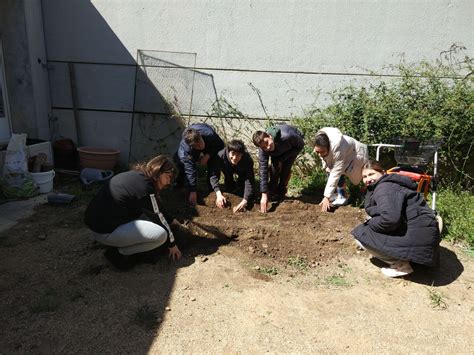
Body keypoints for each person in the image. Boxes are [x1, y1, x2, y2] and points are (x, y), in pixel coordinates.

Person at [84, 155, 182, 270]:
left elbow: (155, 205)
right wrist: (172, 244)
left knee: (145, 218)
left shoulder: (138, 176)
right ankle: (118, 253)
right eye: (168, 177)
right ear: (158, 172)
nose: (169, 182)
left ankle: (115, 242)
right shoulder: (145, 189)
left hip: (96, 225)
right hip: (104, 233)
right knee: (161, 235)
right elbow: (158, 215)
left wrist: (171, 220)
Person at [351, 160, 441, 278]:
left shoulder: (384, 187)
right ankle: (412, 258)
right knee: (369, 229)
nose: (368, 179)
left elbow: (390, 220)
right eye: (364, 176)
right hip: (424, 235)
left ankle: (401, 265)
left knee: (361, 234)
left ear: (382, 173)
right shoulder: (390, 183)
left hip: (420, 236)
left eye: (371, 174)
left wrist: (370, 224)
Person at [312, 127, 368, 212]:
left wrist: (326, 196)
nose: (319, 154)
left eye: (322, 152)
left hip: (356, 154)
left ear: (328, 147)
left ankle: (361, 195)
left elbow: (336, 171)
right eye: (317, 152)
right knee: (329, 170)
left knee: (360, 176)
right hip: (345, 155)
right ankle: (338, 194)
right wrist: (326, 166)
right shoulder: (321, 142)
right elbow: (325, 157)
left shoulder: (339, 147)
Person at [252, 124, 304, 213]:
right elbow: (263, 169)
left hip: (291, 148)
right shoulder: (264, 149)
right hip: (276, 150)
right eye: (264, 147)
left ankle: (281, 192)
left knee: (285, 169)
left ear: (269, 136)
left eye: (267, 142)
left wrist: (283, 158)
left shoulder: (288, 136)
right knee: (274, 169)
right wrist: (264, 194)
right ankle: (272, 192)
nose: (267, 147)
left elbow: (300, 145)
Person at [174, 123, 225, 206]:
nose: (200, 146)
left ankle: (212, 188)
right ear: (192, 147)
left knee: (216, 159)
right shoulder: (186, 150)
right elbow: (190, 170)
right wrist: (193, 191)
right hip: (186, 154)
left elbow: (220, 145)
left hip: (209, 143)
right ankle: (179, 185)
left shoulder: (209, 134)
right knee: (182, 163)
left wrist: (208, 155)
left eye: (200, 142)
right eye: (197, 146)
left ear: (200, 136)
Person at [209, 139, 255, 213]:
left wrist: (245, 200)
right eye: (233, 154)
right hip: (226, 167)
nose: (234, 158)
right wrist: (218, 194)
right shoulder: (220, 156)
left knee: (243, 185)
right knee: (228, 181)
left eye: (238, 155)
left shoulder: (247, 160)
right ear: (228, 151)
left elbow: (249, 180)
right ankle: (230, 186)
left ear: (242, 154)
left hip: (241, 169)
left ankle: (240, 188)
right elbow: (213, 175)